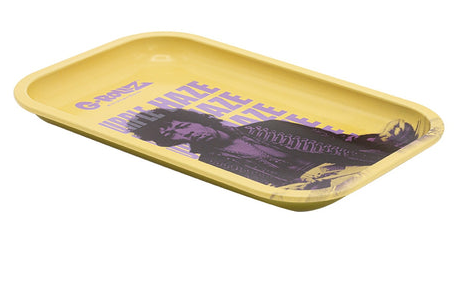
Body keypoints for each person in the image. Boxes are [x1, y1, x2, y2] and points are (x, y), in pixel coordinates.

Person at [126, 108, 417, 189]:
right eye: (172, 135)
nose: (183, 133)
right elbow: (270, 187)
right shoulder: (211, 161)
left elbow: (343, 140)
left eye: (180, 125)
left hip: (371, 168)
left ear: (195, 119)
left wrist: (383, 140)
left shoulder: (270, 126)